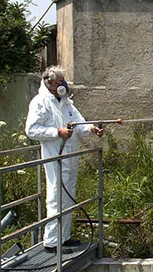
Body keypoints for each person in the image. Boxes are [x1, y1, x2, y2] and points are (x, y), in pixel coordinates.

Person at [25, 66, 104, 253]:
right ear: (50, 83)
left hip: (70, 155)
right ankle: (52, 242)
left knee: (69, 194)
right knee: (56, 196)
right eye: (60, 81)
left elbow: (78, 123)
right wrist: (56, 132)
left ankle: (64, 236)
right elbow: (31, 130)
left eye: (63, 81)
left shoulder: (66, 102)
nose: (64, 85)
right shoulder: (40, 102)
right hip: (55, 155)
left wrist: (92, 128)